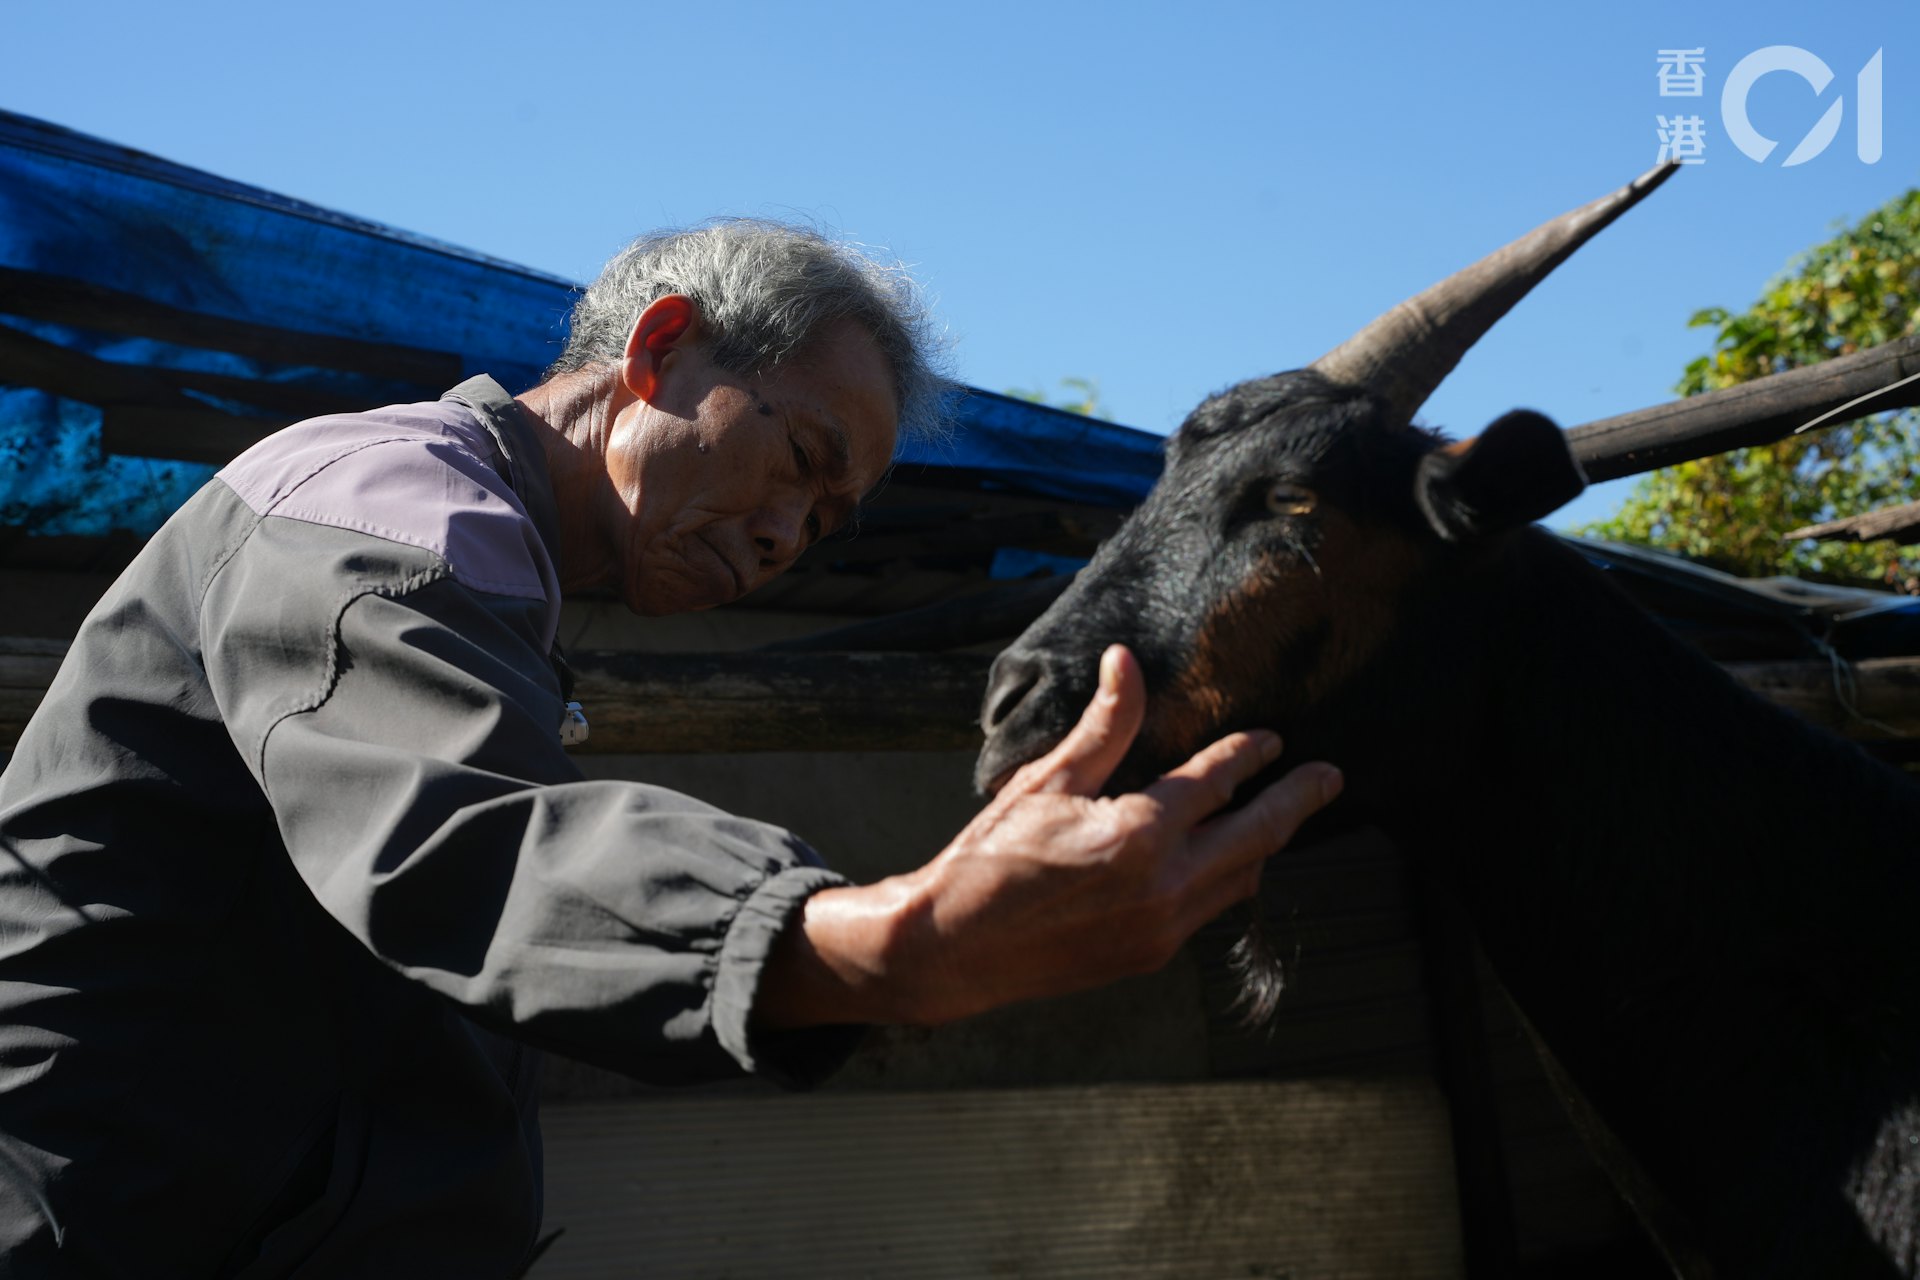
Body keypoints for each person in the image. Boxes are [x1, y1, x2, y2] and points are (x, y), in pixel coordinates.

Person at [0, 221, 1341, 1276]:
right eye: (802, 456)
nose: (784, 537)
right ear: (660, 353)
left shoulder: (497, 572)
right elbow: (469, 839)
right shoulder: (379, 506)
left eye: (824, 524)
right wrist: (889, 942)